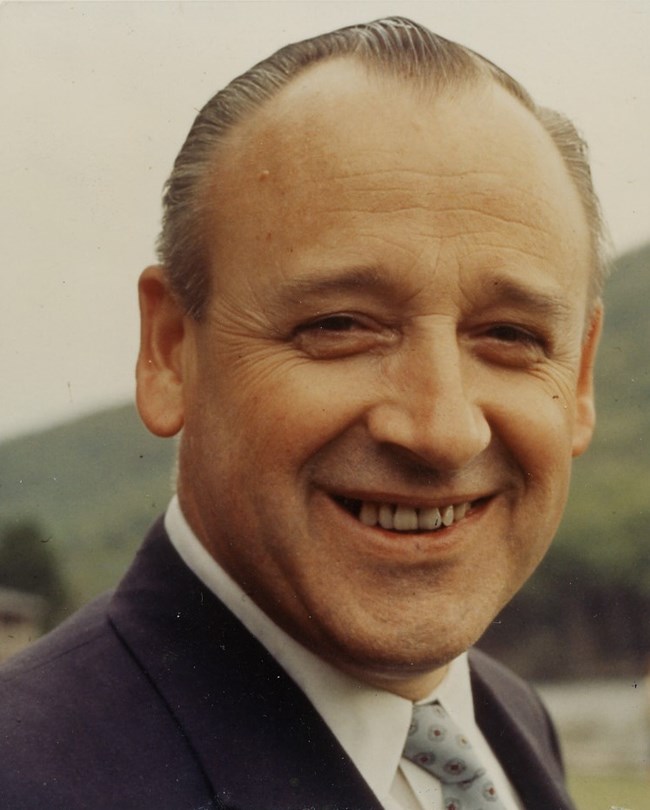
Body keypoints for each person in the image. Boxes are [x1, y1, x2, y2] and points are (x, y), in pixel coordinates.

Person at [0, 17, 606, 810]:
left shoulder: (503, 719)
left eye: (509, 335)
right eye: (339, 325)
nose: (442, 429)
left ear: (582, 375)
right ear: (170, 352)